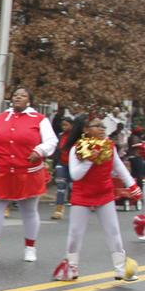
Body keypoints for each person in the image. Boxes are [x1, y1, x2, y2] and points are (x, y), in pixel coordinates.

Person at [0, 88, 57, 262]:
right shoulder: (0, 119)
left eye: (23, 95)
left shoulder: (39, 120)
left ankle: (30, 247)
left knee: (29, 211)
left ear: (29, 101)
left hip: (27, 172)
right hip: (0, 170)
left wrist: (39, 150)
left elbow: (51, 141)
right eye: (15, 95)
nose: (18, 97)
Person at [52, 115, 142, 281]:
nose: (102, 129)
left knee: (113, 231)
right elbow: (75, 175)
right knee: (75, 233)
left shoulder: (109, 146)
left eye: (103, 126)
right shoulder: (76, 149)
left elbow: (119, 168)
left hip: (104, 193)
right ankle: (71, 267)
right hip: (82, 195)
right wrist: (89, 159)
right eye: (97, 126)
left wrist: (133, 186)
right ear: (86, 130)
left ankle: (120, 268)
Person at [51, 116, 73, 220]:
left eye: (66, 125)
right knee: (60, 186)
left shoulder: (76, 137)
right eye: (63, 125)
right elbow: (57, 150)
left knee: (73, 187)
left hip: (73, 165)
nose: (64, 127)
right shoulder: (60, 136)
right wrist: (55, 164)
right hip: (61, 163)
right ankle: (58, 210)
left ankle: (79, 208)